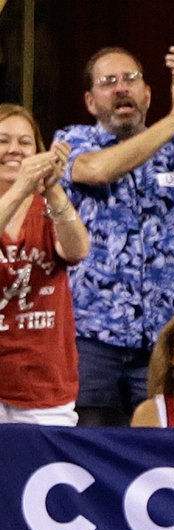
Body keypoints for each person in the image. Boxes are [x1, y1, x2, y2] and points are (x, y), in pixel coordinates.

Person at [57, 45, 174, 420]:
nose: (122, 88)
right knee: (88, 448)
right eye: (108, 82)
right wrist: (173, 120)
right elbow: (98, 171)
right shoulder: (73, 141)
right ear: (90, 101)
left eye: (130, 79)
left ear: (148, 94)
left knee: (153, 452)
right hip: (91, 338)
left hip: (161, 339)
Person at [0, 104, 90, 425]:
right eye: (3, 141)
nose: (14, 150)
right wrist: (23, 186)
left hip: (45, 385)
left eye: (25, 143)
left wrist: (52, 187)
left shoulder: (50, 205)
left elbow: (78, 249)